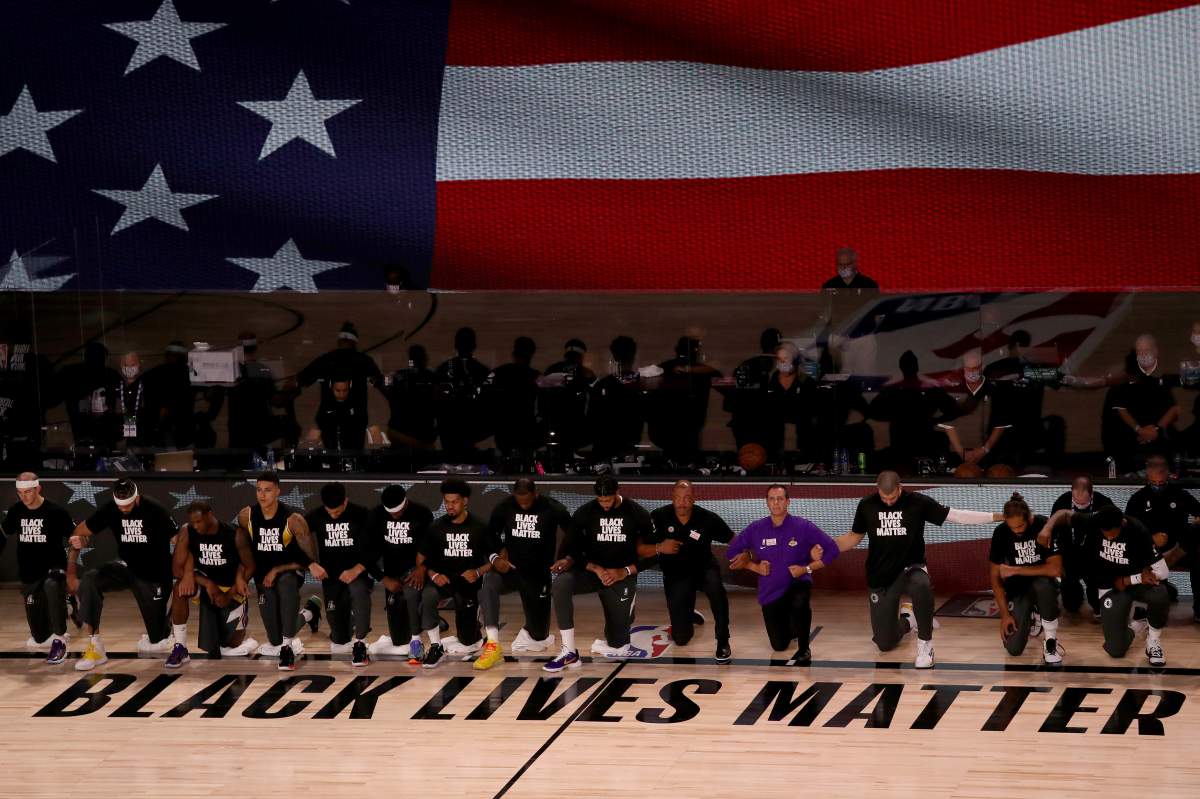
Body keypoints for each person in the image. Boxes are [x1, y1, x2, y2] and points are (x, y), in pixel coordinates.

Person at [831, 471, 1003, 668]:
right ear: (877, 490)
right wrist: (826, 547)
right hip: (880, 574)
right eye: (884, 498)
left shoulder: (917, 502)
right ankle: (908, 619)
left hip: (910, 568)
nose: (888, 502)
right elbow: (853, 537)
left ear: (900, 488)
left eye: (893, 497)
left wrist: (998, 516)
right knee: (884, 644)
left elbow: (956, 516)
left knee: (921, 583)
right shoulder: (866, 505)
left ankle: (925, 643)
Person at [544, 476, 654, 671]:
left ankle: (625, 610)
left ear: (618, 491)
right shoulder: (585, 513)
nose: (604, 505)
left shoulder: (637, 513)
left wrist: (624, 571)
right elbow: (573, 548)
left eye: (608, 500)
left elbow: (653, 555)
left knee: (618, 645)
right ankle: (569, 651)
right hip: (591, 571)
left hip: (620, 574)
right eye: (600, 501)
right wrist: (594, 567)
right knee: (561, 583)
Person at [67, 479, 178, 670]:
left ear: (136, 498)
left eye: (127, 505)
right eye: (120, 505)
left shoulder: (155, 509)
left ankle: (165, 630)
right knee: (90, 579)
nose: (124, 509)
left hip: (155, 572)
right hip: (126, 567)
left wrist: (184, 574)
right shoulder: (110, 509)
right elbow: (79, 532)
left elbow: (179, 540)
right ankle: (95, 646)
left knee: (157, 640)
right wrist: (72, 567)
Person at [1042, 505, 1169, 666]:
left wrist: (1132, 579)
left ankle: (1153, 642)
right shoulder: (1094, 520)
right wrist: (1047, 529)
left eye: (1112, 535)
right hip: (1110, 586)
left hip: (1135, 583)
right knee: (1116, 650)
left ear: (1122, 524)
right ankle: (1137, 625)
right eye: (1105, 535)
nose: (1108, 539)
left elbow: (1163, 571)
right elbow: (1064, 514)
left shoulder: (1138, 531)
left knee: (1160, 592)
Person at [727, 484, 839, 663]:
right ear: (767, 503)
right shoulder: (756, 528)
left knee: (800, 601)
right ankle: (792, 624)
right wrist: (753, 566)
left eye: (780, 499)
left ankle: (804, 648)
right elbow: (731, 552)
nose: (776, 503)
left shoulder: (803, 526)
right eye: (772, 499)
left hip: (797, 582)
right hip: (770, 591)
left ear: (788, 502)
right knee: (779, 646)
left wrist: (807, 568)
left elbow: (833, 549)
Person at [479, 479, 572, 668]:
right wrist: (497, 557)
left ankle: (536, 635)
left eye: (527, 501)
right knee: (489, 581)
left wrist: (565, 557)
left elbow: (574, 533)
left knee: (538, 637)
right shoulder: (504, 507)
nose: (523, 505)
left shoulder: (552, 508)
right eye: (519, 501)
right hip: (510, 570)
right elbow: (489, 535)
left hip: (537, 574)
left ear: (535, 493)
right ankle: (492, 643)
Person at [236, 472, 323, 671]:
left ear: (278, 491)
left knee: (286, 584)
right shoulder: (246, 516)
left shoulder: (293, 519)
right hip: (262, 575)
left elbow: (310, 560)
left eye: (267, 490)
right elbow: (243, 552)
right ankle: (310, 612)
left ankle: (288, 648)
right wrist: (240, 577)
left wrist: (277, 569)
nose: (262, 495)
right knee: (274, 638)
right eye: (259, 490)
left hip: (290, 572)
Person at [648, 480, 735, 661]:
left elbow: (733, 539)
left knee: (717, 592)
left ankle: (723, 640)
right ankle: (688, 613)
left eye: (687, 498)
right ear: (672, 499)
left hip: (703, 568)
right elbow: (640, 545)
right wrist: (659, 547)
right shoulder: (658, 516)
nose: (682, 502)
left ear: (694, 499)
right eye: (678, 498)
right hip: (676, 574)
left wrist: (745, 555)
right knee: (680, 639)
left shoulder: (707, 518)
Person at [165, 500, 257, 667]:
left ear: (210, 515)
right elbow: (176, 569)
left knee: (231, 644)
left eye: (199, 521)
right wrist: (206, 582)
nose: (196, 526)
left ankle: (237, 626)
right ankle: (180, 648)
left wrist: (230, 593)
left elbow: (250, 567)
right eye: (193, 522)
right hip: (205, 587)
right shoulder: (187, 531)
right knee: (179, 588)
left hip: (230, 588)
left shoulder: (234, 534)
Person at [415, 479, 493, 668]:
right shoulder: (436, 527)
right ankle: (436, 645)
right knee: (428, 594)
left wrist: (478, 571)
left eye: (454, 502)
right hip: (442, 580)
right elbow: (420, 558)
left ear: (465, 501)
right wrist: (433, 574)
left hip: (468, 584)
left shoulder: (479, 526)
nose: (449, 506)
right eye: (447, 502)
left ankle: (474, 630)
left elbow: (497, 558)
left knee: (467, 641)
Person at [0, 473, 74, 664]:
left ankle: (60, 641)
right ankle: (68, 604)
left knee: (52, 585)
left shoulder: (55, 511)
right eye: (19, 493)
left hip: (54, 569)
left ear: (38, 489)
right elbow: (3, 533)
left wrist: (71, 570)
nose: (23, 497)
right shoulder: (16, 511)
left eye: (27, 492)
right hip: (29, 574)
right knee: (39, 637)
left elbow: (78, 537)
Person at [988, 493, 1066, 664]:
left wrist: (1015, 570)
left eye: (1020, 526)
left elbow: (1055, 569)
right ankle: (1033, 613)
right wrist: (1005, 615)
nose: (1017, 531)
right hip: (1019, 588)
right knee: (1013, 649)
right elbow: (995, 578)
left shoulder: (1043, 526)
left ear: (1029, 518)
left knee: (1043, 585)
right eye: (1012, 528)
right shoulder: (1000, 533)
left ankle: (1051, 641)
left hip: (1045, 582)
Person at [307, 482, 374, 666]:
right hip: (331, 578)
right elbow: (297, 538)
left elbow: (375, 547)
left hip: (356, 573)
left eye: (337, 511)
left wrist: (358, 568)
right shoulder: (315, 515)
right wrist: (310, 563)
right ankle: (311, 611)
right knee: (339, 639)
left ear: (346, 501)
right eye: (330, 511)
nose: (333, 515)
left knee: (359, 594)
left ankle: (360, 643)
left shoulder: (361, 514)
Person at [1124, 455, 1200, 616]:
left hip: (1180, 549)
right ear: (1148, 477)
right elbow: (1128, 534)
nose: (1158, 486)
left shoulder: (1180, 494)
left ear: (1167, 475)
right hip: (1150, 554)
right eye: (1154, 483)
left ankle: (1198, 610)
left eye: (1161, 483)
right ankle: (1155, 597)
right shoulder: (1137, 499)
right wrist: (1150, 539)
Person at [366, 484, 434, 660]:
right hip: (391, 574)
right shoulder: (375, 515)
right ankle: (420, 625)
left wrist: (423, 568)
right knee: (398, 641)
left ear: (405, 502)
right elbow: (365, 554)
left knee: (411, 596)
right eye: (391, 513)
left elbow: (433, 546)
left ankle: (417, 642)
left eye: (398, 512)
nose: (395, 516)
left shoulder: (422, 513)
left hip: (415, 570)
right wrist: (383, 578)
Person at [870, 351, 958, 473]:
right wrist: (895, 418)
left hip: (923, 441)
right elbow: (873, 411)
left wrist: (934, 421)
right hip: (901, 444)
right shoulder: (893, 390)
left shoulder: (927, 389)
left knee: (941, 440)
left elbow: (953, 409)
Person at [297, 321, 383, 444]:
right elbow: (378, 381)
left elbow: (303, 379)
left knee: (331, 451)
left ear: (339, 341)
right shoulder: (365, 360)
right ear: (354, 342)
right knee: (355, 453)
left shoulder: (325, 359)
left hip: (329, 416)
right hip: (357, 417)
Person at [1104, 336, 1180, 472]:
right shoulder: (1119, 388)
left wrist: (1155, 430)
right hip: (1127, 450)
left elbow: (1173, 409)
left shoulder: (1159, 382)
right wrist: (1140, 430)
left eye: (1147, 351)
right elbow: (1119, 411)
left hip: (1158, 446)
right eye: (1140, 353)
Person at [647, 336, 722, 462]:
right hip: (682, 428)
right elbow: (722, 380)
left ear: (677, 349)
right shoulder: (702, 373)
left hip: (669, 429)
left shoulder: (664, 369)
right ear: (696, 351)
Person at [1051, 475, 1115, 617]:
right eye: (1076, 503)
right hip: (1069, 556)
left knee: (1099, 605)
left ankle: (1095, 598)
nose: (1079, 507)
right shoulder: (1061, 502)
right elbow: (1053, 535)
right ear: (1071, 492)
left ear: (1092, 494)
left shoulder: (1104, 503)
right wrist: (1058, 561)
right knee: (1071, 606)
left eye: (1083, 504)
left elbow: (1114, 534)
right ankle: (1075, 591)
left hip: (1095, 557)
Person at [938, 349, 1013, 469]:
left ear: (982, 367)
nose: (971, 372)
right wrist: (961, 452)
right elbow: (948, 424)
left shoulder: (996, 390)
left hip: (988, 457)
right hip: (957, 457)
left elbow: (1001, 425)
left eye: (975, 368)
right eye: (968, 369)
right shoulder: (954, 390)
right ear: (963, 368)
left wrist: (985, 449)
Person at [723, 327, 783, 451]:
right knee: (768, 460)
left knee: (748, 460)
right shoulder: (781, 368)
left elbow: (732, 397)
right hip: (767, 423)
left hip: (744, 423)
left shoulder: (746, 365)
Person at [434, 327, 492, 454]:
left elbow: (437, 403)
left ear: (456, 345)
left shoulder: (442, 369)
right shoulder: (483, 371)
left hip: (449, 431)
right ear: (474, 346)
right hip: (470, 432)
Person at [588, 335, 646, 459]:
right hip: (629, 446)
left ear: (614, 355)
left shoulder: (603, 385)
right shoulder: (640, 384)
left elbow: (592, 418)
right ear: (633, 355)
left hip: (604, 446)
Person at [59, 341, 123, 452]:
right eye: (95, 356)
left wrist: (129, 432)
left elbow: (129, 403)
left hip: (102, 436)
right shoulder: (71, 374)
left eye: (99, 357)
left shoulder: (111, 375)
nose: (97, 361)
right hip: (85, 436)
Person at [485, 337, 543, 457]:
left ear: (514, 354)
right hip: (527, 433)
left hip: (504, 434)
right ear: (531, 355)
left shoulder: (498, 372)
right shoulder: (536, 377)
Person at [761, 342, 817, 458]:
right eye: (779, 359)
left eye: (786, 358)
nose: (782, 362)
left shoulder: (806, 382)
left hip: (803, 443)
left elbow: (811, 412)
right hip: (775, 444)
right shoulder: (770, 382)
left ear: (795, 360)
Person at [540, 338, 596, 454]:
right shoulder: (586, 373)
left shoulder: (551, 370)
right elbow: (596, 397)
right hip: (576, 427)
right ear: (581, 356)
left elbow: (542, 397)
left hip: (553, 425)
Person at [141, 341, 195, 448]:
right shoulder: (156, 372)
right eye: (172, 354)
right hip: (164, 425)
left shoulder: (189, 372)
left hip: (179, 425)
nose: (173, 358)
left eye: (175, 355)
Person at [382, 344, 438, 449]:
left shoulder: (398, 375)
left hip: (397, 433)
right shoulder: (433, 377)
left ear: (410, 360)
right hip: (422, 438)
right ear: (425, 359)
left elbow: (386, 381)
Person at [307, 376, 368, 451]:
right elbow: (314, 432)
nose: (341, 394)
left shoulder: (358, 406)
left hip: (353, 453)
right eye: (338, 390)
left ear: (350, 387)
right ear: (331, 388)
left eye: (345, 390)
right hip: (330, 454)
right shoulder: (325, 406)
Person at [115, 351, 153, 447]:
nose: (129, 368)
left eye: (133, 365)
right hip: (121, 436)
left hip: (143, 436)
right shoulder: (116, 385)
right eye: (126, 365)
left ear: (139, 365)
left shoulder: (147, 385)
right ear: (121, 365)